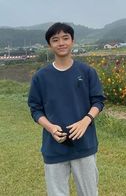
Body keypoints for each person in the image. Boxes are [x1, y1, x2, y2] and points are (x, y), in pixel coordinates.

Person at [28, 22, 105, 196]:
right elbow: (35, 109)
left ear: (72, 41)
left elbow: (98, 101)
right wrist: (50, 127)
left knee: (89, 193)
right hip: (54, 147)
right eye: (55, 40)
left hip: (84, 144)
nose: (61, 43)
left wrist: (85, 121)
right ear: (50, 45)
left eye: (65, 38)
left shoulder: (87, 72)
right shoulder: (41, 77)